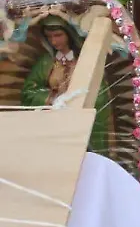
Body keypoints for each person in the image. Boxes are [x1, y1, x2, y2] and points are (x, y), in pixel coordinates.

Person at [20, 15, 110, 153]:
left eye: (58, 35)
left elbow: (100, 92)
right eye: (49, 36)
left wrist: (79, 103)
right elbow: (28, 92)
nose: (54, 41)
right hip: (53, 123)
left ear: (69, 34)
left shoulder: (84, 60)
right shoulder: (46, 62)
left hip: (81, 122)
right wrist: (53, 99)